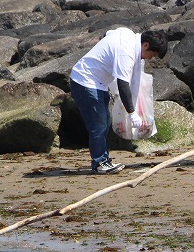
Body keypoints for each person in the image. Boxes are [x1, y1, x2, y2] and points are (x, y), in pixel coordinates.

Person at [70, 27, 167, 174]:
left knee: (105, 122)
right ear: (145, 45)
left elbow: (107, 33)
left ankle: (103, 160)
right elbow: (123, 84)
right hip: (85, 80)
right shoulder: (126, 52)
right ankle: (99, 163)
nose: (149, 58)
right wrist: (132, 113)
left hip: (98, 82)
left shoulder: (127, 34)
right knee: (98, 125)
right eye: (151, 55)